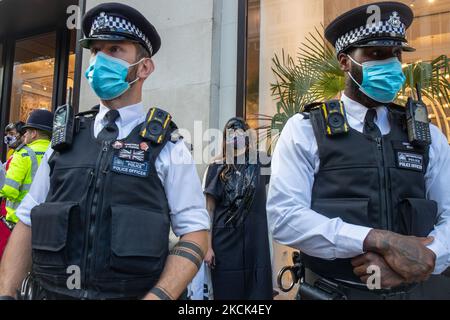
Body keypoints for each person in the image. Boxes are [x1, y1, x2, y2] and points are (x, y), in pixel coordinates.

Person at [0, 2, 209, 300]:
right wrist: (6, 293)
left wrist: (158, 297)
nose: (100, 60)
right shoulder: (64, 141)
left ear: (144, 67)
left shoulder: (168, 146)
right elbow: (28, 220)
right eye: (96, 50)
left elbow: (195, 232)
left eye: (115, 50)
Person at [267, 2, 450, 300]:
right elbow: (285, 218)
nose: (391, 65)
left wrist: (423, 259)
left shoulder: (427, 136)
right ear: (344, 61)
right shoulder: (305, 130)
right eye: (376, 54)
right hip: (335, 293)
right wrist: (379, 240)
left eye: (396, 54)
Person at [203, 118, 273, 300]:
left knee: (258, 293)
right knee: (227, 293)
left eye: (240, 130)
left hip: (255, 243)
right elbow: (209, 211)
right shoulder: (216, 167)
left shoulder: (261, 163)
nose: (235, 134)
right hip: (225, 244)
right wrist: (208, 247)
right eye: (231, 131)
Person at [0, 110, 52, 227]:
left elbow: (10, 190)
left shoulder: (23, 154)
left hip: (20, 220)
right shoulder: (57, 152)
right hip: (47, 221)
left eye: (27, 132)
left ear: (34, 134)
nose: (24, 135)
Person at [0, 122, 25, 260]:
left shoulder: (21, 155)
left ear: (22, 136)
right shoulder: (13, 154)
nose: (8, 138)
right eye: (7, 135)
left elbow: (8, 188)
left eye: (12, 135)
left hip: (12, 214)